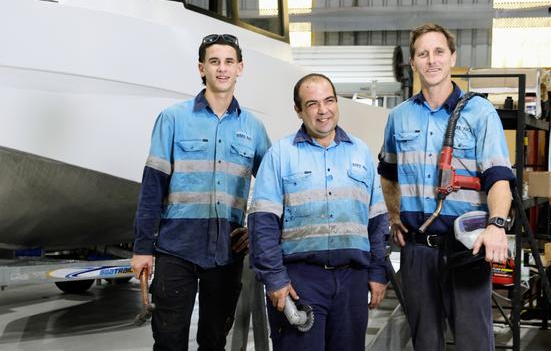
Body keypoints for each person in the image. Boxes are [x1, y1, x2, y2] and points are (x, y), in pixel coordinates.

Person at [378, 23, 514, 351]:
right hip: (417, 251)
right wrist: (395, 217)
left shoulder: (480, 112)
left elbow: (499, 179)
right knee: (425, 342)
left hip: (466, 249)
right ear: (413, 63)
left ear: (452, 57)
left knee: (474, 343)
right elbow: (388, 174)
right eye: (423, 54)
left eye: (439, 52)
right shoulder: (399, 117)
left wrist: (496, 225)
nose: (432, 60)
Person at [131, 33, 271, 351]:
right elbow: (153, 186)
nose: (222, 69)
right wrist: (143, 248)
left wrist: (255, 229)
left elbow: (271, 189)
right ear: (201, 68)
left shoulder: (253, 128)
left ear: (240, 68)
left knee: (214, 339)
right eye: (214, 62)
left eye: (228, 62)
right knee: (168, 340)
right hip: (175, 249)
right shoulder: (173, 119)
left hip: (226, 251)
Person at [248, 73, 388, 351]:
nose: (323, 111)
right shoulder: (280, 154)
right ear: (298, 110)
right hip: (300, 281)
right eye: (312, 104)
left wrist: (378, 273)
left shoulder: (360, 152)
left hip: (352, 280)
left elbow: (377, 221)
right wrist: (275, 279)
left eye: (329, 101)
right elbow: (263, 224)